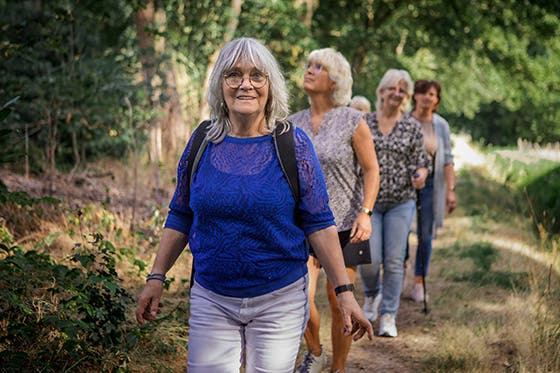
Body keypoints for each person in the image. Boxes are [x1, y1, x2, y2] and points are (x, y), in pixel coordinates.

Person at [135, 37, 373, 373]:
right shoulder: (202, 140)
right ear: (220, 84)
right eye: (233, 75)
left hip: (280, 298)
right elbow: (181, 213)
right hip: (212, 296)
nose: (245, 84)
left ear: (270, 85)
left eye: (257, 76)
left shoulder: (294, 144)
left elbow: (319, 223)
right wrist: (156, 277)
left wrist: (345, 292)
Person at [289, 48, 380, 373]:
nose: (310, 70)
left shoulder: (353, 120)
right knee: (298, 297)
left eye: (319, 67)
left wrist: (365, 213)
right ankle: (315, 351)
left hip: (346, 224)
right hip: (302, 226)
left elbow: (371, 170)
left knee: (341, 300)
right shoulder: (291, 124)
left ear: (335, 81)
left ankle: (338, 368)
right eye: (309, 65)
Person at [358, 69, 431, 338]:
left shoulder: (411, 126)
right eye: (392, 88)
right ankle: (371, 295)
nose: (397, 94)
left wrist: (422, 173)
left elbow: (423, 161)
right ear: (381, 91)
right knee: (369, 259)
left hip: (401, 201)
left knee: (393, 259)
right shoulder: (364, 122)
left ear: (407, 97)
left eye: (402, 90)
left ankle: (388, 314)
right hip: (370, 201)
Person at [406, 79, 457, 302]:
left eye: (433, 94)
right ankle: (401, 266)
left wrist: (450, 190)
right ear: (415, 95)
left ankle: (419, 281)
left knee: (425, 235)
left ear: (437, 100)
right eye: (424, 93)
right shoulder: (404, 120)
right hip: (403, 184)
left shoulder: (441, 126)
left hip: (430, 185)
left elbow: (448, 160)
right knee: (400, 232)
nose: (428, 97)